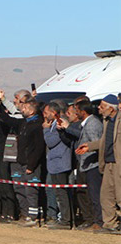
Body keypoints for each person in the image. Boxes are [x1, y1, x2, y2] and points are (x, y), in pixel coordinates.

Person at [0, 89, 45, 225]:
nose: (22, 109)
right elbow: (8, 120)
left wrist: (31, 165)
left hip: (31, 164)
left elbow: (38, 148)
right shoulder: (23, 123)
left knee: (31, 190)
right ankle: (25, 214)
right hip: (21, 161)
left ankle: (34, 217)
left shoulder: (37, 125)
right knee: (21, 189)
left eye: (25, 107)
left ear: (32, 110)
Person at [76, 94, 120, 231]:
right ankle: (110, 224)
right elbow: (104, 141)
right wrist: (90, 146)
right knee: (106, 196)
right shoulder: (107, 121)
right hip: (107, 163)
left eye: (102, 106)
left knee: (120, 196)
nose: (99, 108)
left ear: (111, 109)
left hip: (118, 163)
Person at [62, 100, 103, 230]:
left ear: (83, 112)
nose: (75, 113)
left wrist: (88, 150)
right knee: (87, 193)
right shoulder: (86, 124)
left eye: (77, 110)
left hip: (93, 164)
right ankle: (92, 220)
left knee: (95, 195)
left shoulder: (92, 124)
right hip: (86, 163)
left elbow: (97, 144)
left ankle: (99, 221)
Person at [43, 101, 76, 228]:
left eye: (46, 113)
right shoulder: (53, 123)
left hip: (60, 162)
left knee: (61, 193)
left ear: (53, 112)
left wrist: (45, 130)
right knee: (59, 192)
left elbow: (51, 142)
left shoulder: (59, 123)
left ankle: (66, 221)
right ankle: (66, 219)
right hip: (55, 163)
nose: (45, 116)